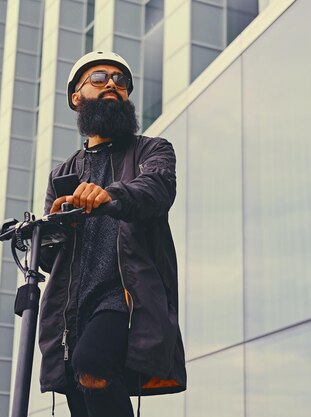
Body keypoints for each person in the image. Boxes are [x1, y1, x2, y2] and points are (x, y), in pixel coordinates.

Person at [38, 51, 186, 417]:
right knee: (80, 391)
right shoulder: (62, 174)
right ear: (76, 96)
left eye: (121, 82)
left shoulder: (151, 150)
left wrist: (110, 195)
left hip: (124, 297)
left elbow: (156, 190)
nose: (113, 86)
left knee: (92, 364)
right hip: (72, 309)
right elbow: (46, 260)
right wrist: (56, 226)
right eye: (100, 78)